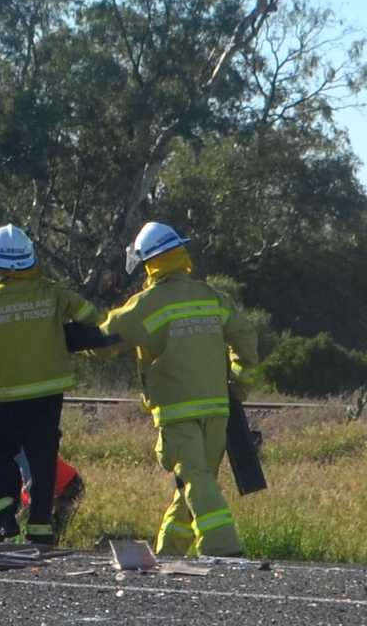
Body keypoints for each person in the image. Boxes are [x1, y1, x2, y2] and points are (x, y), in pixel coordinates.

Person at [100, 222, 259, 557]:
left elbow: (103, 340)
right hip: (218, 408)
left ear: (148, 263)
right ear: (180, 254)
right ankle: (170, 550)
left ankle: (223, 548)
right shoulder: (213, 297)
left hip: (177, 410)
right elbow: (245, 337)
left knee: (196, 479)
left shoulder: (146, 304)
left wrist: (64, 340)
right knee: (195, 482)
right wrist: (239, 382)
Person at [0, 224, 102, 545]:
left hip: (6, 396)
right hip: (48, 395)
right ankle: (41, 530)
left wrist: (10, 362)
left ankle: (4, 521)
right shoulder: (54, 293)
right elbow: (91, 315)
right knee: (43, 457)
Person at [18, 453, 85, 540]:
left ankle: (56, 544)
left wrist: (17, 520)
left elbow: (31, 504)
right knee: (51, 523)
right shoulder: (24, 480)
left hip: (70, 485)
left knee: (56, 525)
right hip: (65, 483)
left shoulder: (27, 468)